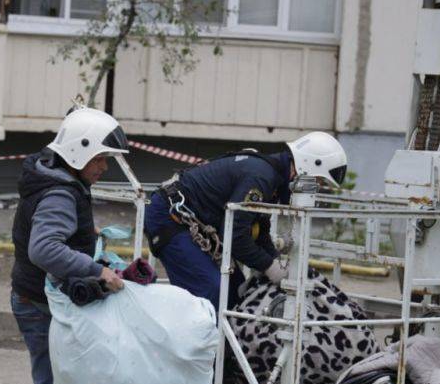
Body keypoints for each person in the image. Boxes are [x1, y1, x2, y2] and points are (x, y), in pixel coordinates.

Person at [0, 107, 128, 384]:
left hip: (38, 298)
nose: (106, 167)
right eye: (101, 158)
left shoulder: (59, 178)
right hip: (38, 304)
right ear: (78, 151)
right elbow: (45, 249)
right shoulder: (58, 191)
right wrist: (96, 269)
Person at [145, 131, 348, 312]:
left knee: (236, 291)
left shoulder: (271, 176)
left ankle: (226, 353)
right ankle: (204, 354)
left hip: (190, 221)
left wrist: (274, 262)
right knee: (212, 290)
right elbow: (235, 235)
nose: (315, 188)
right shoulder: (262, 177)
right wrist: (269, 267)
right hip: (169, 218)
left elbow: (258, 229)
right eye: (318, 181)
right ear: (306, 167)